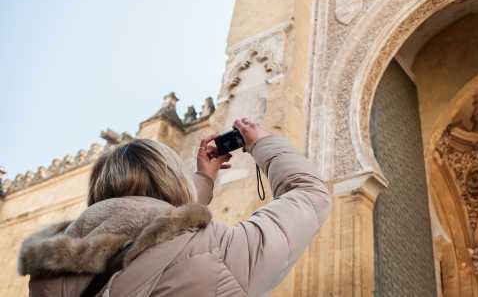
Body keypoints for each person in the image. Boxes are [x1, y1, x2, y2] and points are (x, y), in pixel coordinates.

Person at [18, 118, 331, 297]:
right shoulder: (219, 252)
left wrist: (202, 180)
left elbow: (137, 220)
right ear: (172, 182)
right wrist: (262, 142)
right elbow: (309, 192)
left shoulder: (51, 274)